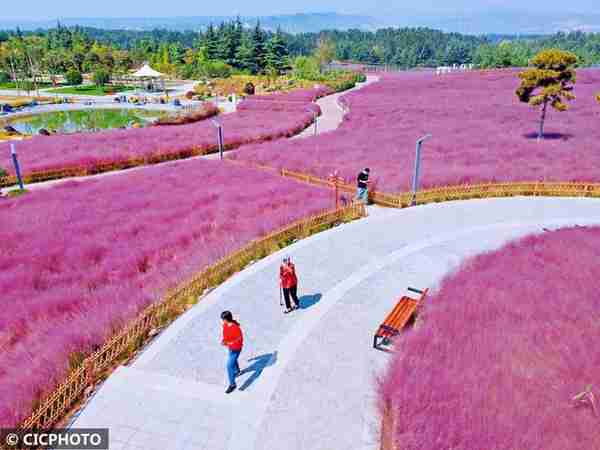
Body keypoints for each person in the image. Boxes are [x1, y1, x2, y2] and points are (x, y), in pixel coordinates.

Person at [221, 311, 243, 394]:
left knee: (229, 366)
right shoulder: (225, 325)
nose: (222, 321)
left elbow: (239, 340)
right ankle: (237, 371)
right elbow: (225, 335)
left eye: (223, 319)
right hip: (230, 348)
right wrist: (224, 340)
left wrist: (228, 343)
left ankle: (232, 384)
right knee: (233, 360)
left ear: (227, 319)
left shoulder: (236, 328)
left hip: (236, 349)